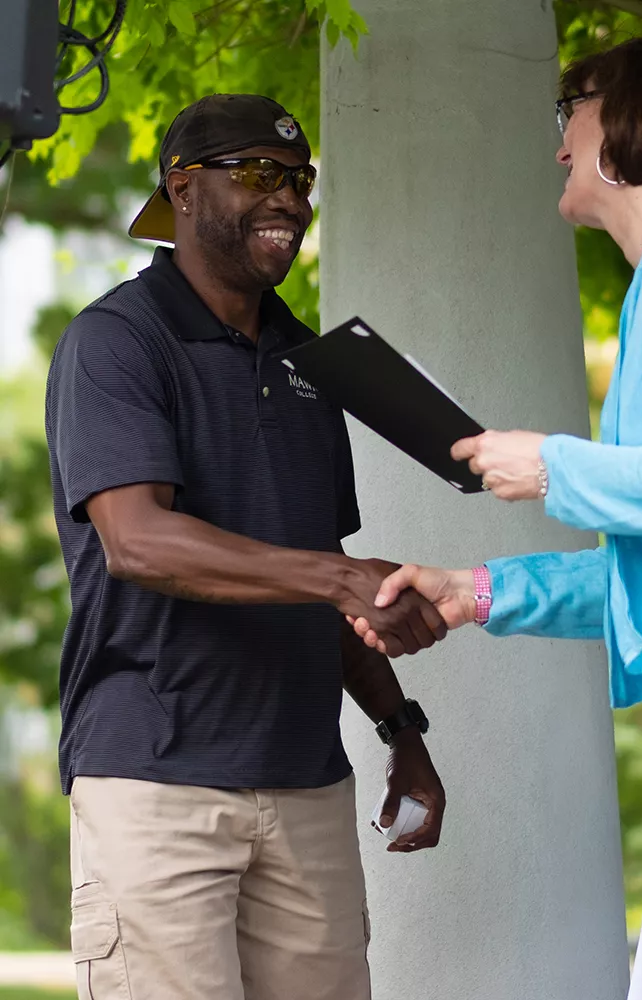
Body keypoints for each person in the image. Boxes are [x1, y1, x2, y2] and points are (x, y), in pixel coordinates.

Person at [349, 32, 642, 1000]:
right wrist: (471, 591)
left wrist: (554, 467)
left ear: (628, 114)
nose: (560, 141)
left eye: (569, 108)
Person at [45, 94, 447, 1000]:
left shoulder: (310, 361)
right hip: (157, 784)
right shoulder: (114, 343)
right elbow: (140, 542)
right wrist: (344, 575)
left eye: (299, 180)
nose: (289, 200)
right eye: (258, 174)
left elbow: (314, 582)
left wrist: (398, 730)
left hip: (306, 782)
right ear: (181, 190)